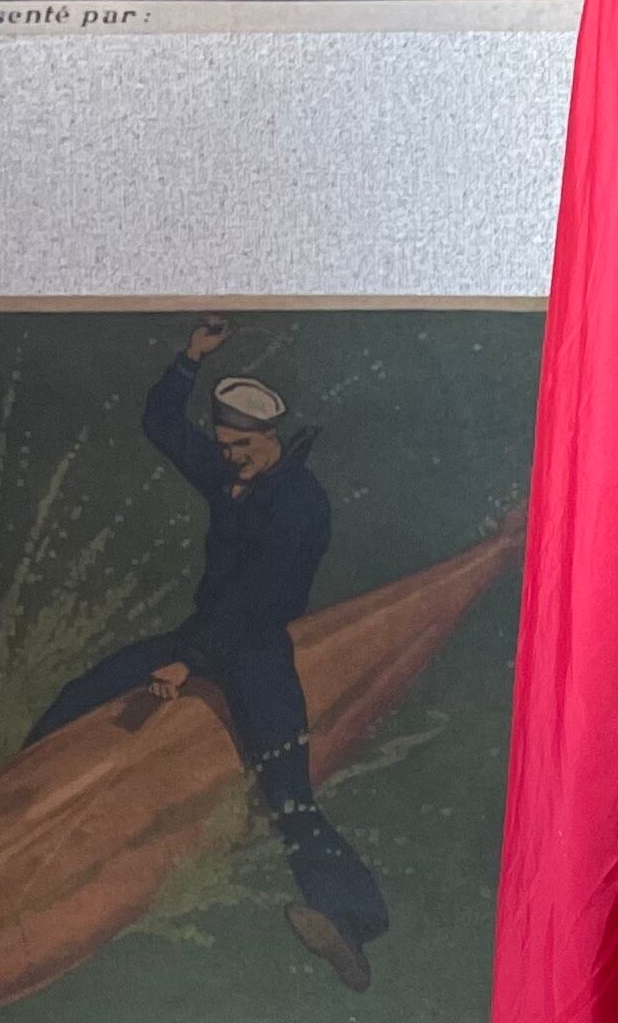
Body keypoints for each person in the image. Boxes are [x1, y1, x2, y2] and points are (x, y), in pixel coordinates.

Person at [24, 313, 390, 988]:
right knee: (86, 691)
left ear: (271, 436)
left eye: (241, 446)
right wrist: (190, 358)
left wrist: (190, 660)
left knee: (287, 794)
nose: (230, 456)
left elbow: (255, 600)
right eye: (223, 445)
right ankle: (19, 797)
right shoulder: (228, 474)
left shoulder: (302, 504)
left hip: (256, 651)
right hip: (203, 634)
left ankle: (351, 919)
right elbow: (161, 423)